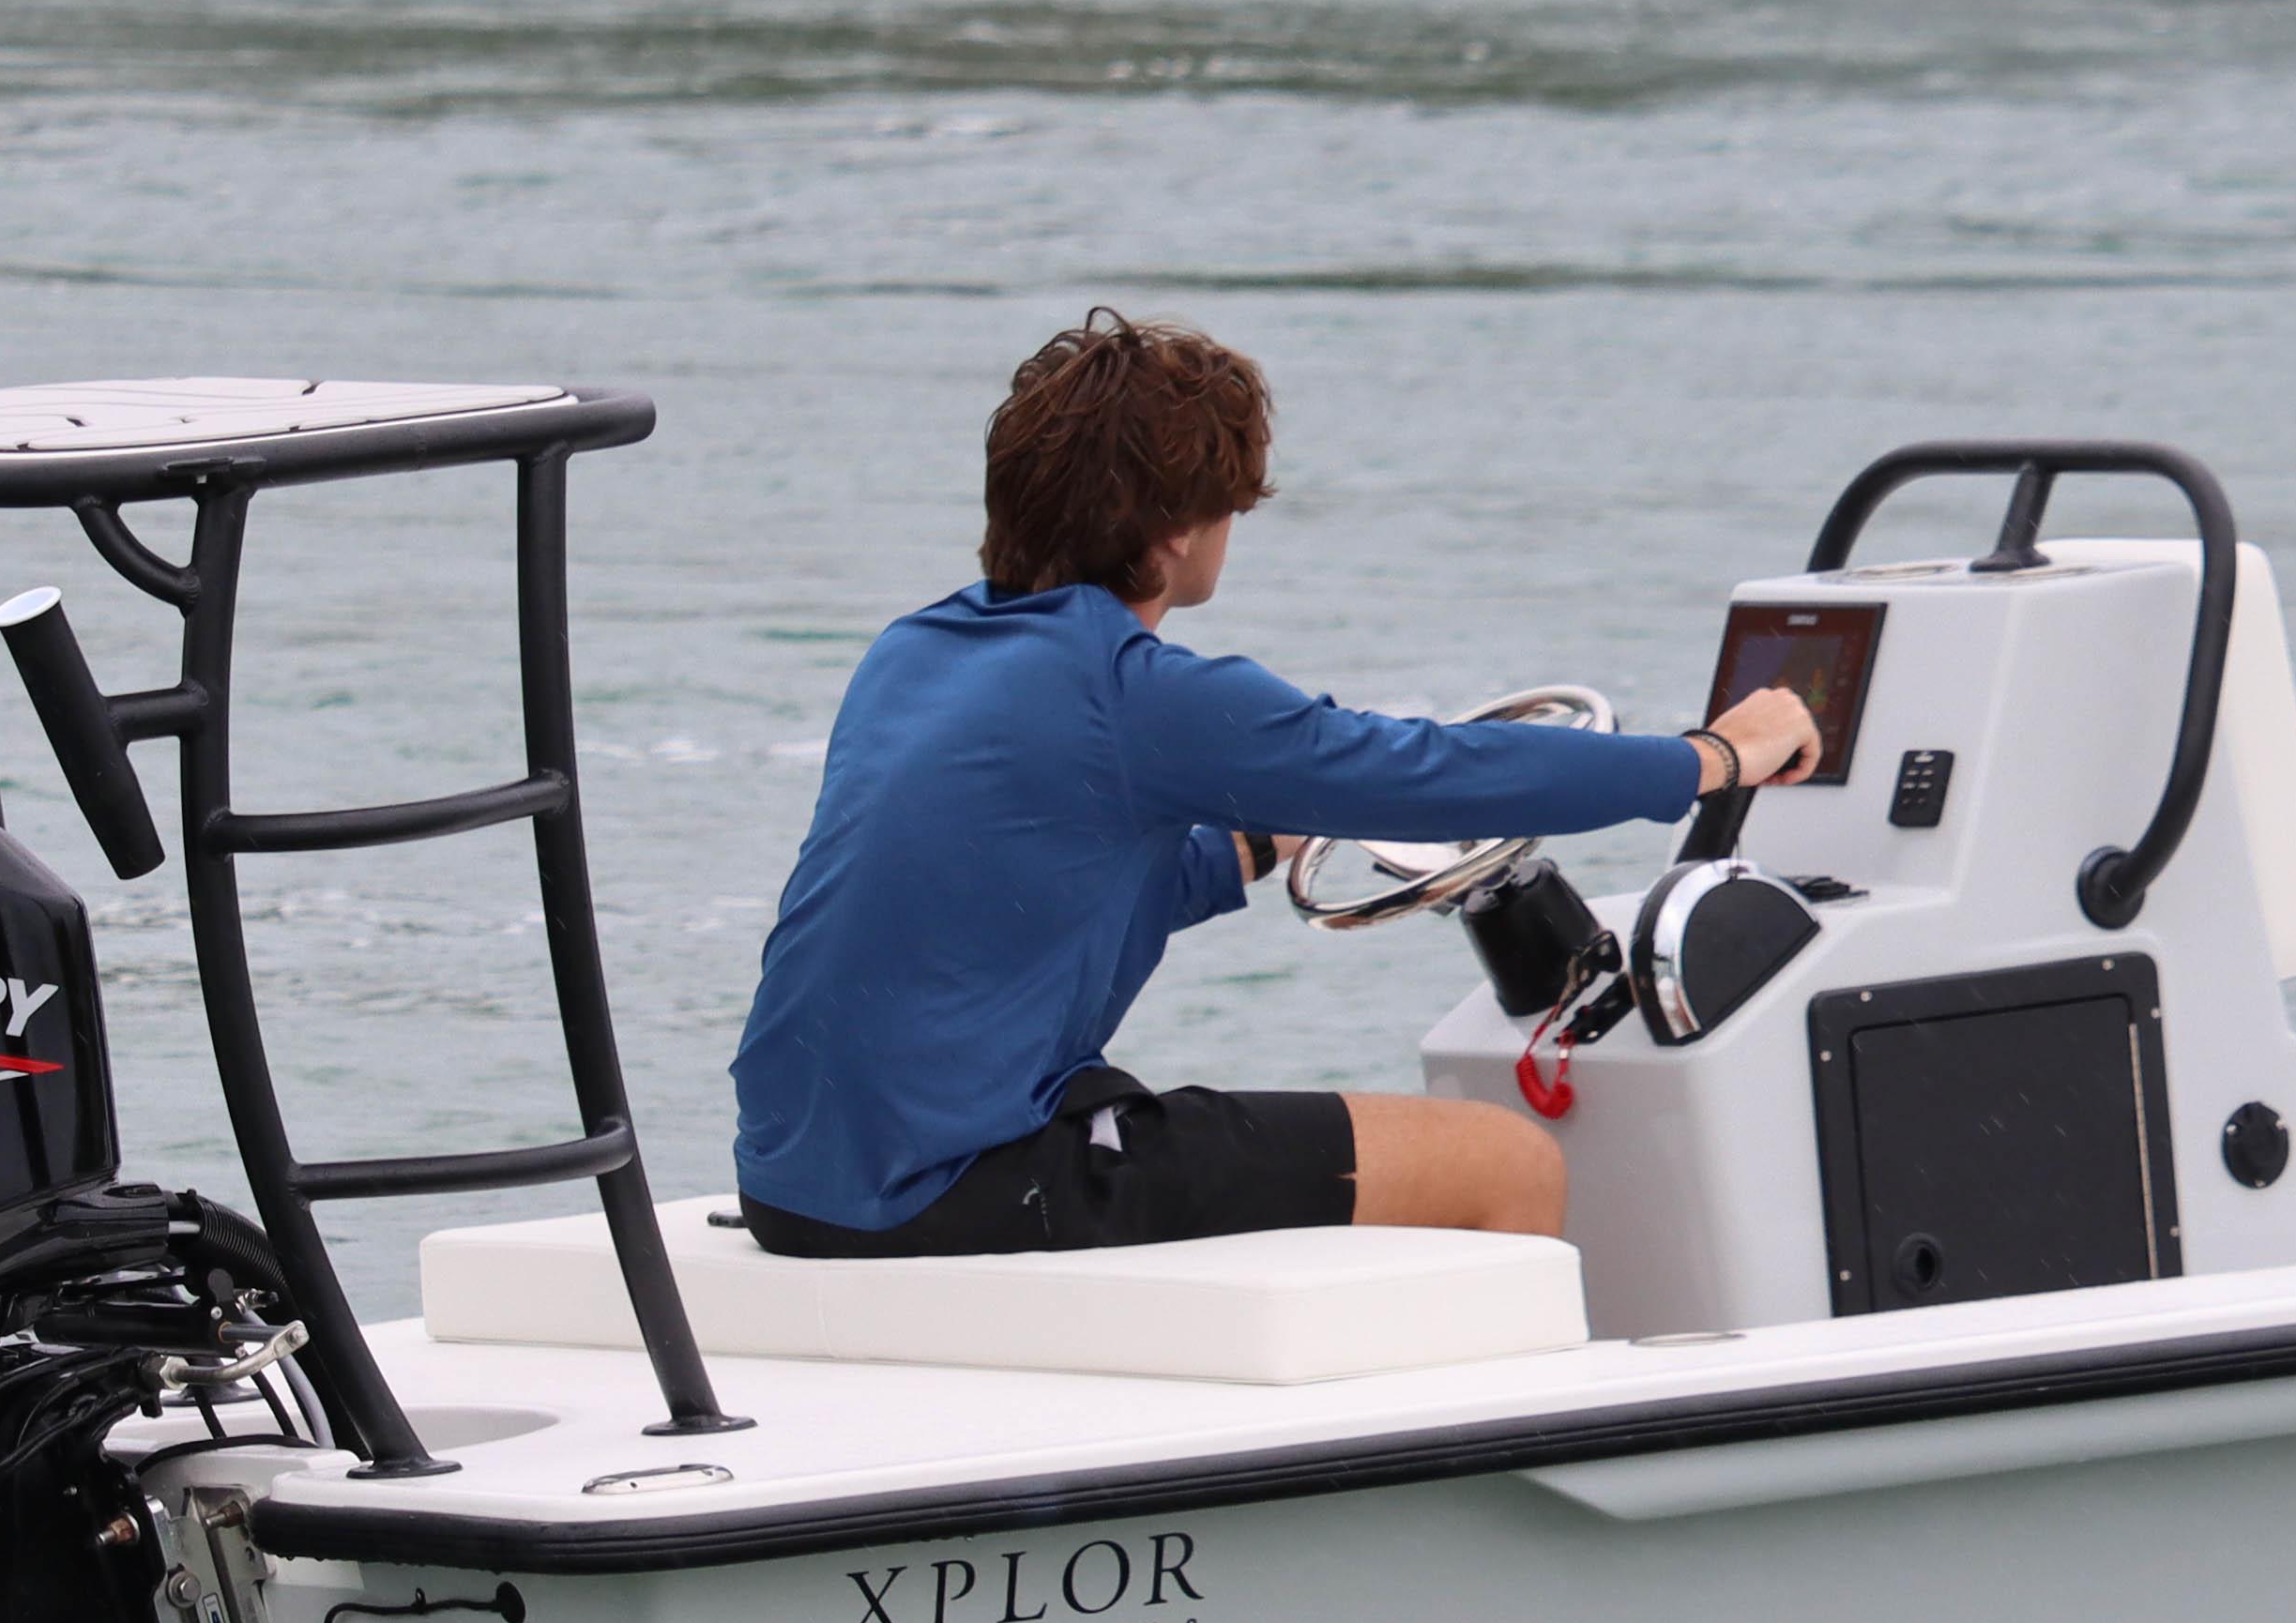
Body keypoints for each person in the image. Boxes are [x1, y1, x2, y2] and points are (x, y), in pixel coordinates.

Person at [725, 311, 1814, 1254]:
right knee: (1504, 1165)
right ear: (1180, 531)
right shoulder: (1133, 687)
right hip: (943, 1186)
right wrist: (1712, 757)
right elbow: (1425, 770)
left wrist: (1250, 848)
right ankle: (1450, 1480)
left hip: (797, 1180)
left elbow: (1023, 887)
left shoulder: (913, 650)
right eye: (1233, 506)